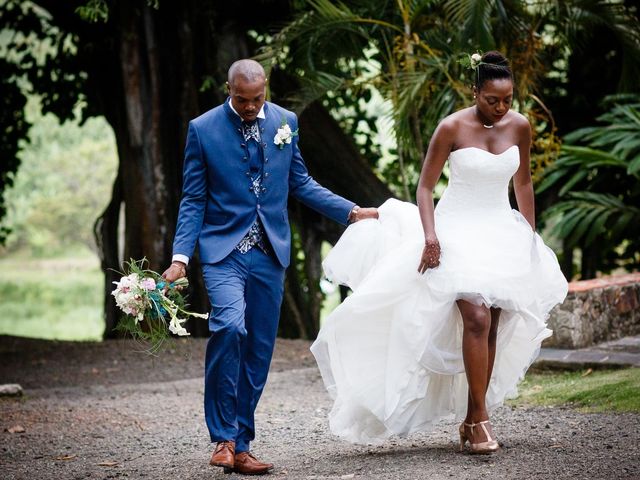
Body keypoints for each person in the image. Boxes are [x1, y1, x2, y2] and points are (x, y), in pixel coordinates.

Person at [311, 51, 568, 453]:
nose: (501, 108)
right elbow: (425, 188)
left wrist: (529, 236)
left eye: (507, 100)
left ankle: (473, 416)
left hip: (501, 230)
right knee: (477, 317)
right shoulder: (451, 128)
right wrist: (431, 237)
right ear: (475, 91)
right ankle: (481, 421)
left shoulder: (519, 127)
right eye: (492, 100)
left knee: (493, 321)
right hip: (455, 229)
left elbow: (523, 185)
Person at [162, 59, 378, 475]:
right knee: (229, 327)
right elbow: (193, 199)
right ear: (229, 90)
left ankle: (241, 445)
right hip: (223, 252)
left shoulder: (286, 121)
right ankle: (222, 438)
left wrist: (350, 212)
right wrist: (179, 257)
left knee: (260, 348)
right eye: (241, 99)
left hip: (269, 254)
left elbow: (300, 182)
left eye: (257, 98)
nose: (249, 106)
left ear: (266, 89)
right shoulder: (202, 129)